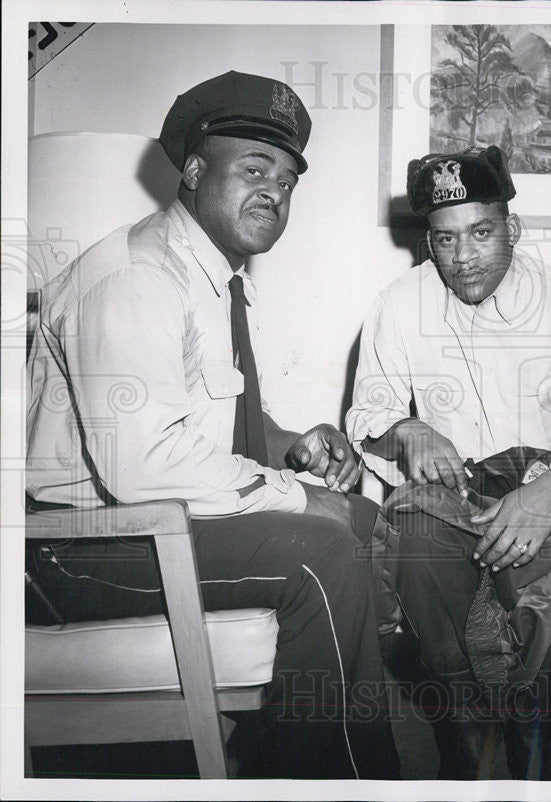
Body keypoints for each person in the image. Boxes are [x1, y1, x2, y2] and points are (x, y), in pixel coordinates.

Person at [25, 71, 399, 779]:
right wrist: (296, 494)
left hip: (145, 525)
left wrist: (292, 444)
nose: (274, 191)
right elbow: (145, 463)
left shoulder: (208, 274)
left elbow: (205, 415)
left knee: (369, 518)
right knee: (323, 554)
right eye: (254, 168)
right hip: (74, 544)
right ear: (194, 170)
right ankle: (344, 785)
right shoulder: (135, 277)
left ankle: (282, 762)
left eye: (288, 180)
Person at [345, 146, 551, 779]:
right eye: (444, 240)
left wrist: (548, 490)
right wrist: (405, 430)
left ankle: (546, 752)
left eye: (481, 233)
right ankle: (467, 738)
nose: (462, 257)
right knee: (411, 539)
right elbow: (365, 419)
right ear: (427, 243)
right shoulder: (397, 303)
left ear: (511, 229)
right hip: (455, 500)